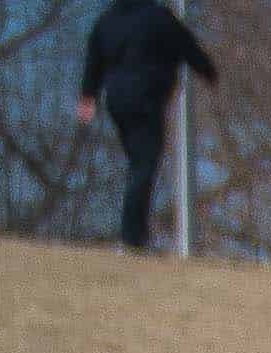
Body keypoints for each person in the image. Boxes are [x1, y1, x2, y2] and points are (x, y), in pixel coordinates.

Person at [72, 3, 217, 255]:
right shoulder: (159, 17)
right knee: (144, 164)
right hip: (146, 98)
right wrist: (208, 72)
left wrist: (88, 95)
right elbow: (187, 46)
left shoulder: (107, 20)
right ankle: (131, 238)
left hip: (117, 102)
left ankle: (135, 234)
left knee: (138, 162)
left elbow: (93, 59)